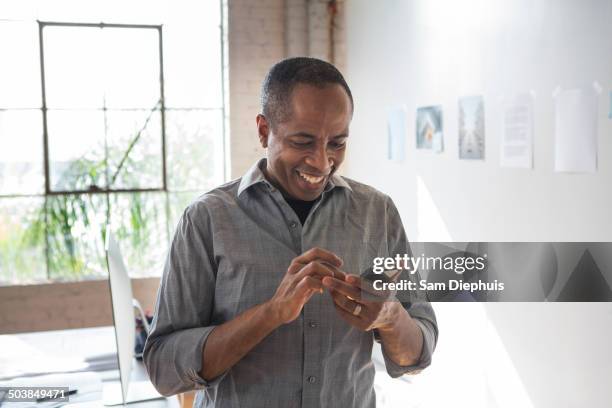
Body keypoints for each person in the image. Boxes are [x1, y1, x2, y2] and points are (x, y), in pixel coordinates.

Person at [143, 57, 438, 408]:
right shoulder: (206, 220)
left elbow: (419, 353)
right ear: (264, 130)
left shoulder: (378, 212)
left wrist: (389, 317)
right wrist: (271, 313)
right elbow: (164, 370)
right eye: (303, 141)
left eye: (337, 143)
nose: (321, 161)